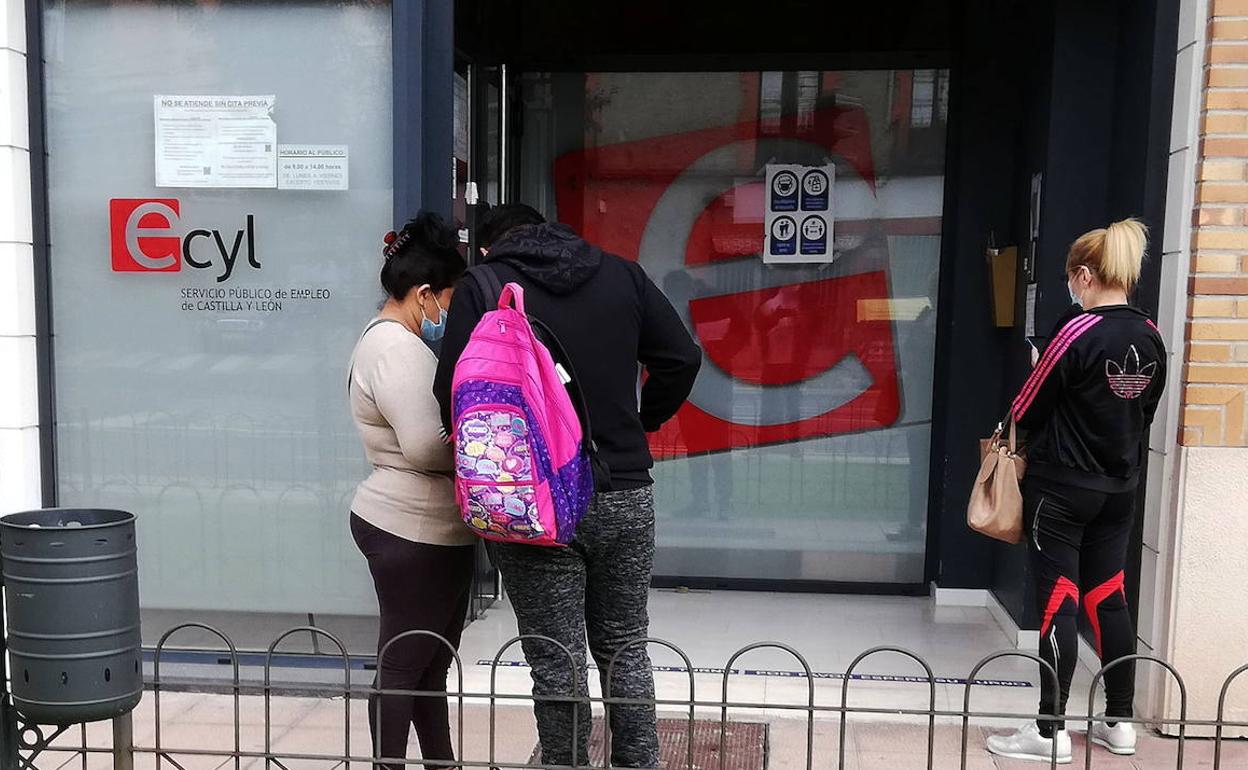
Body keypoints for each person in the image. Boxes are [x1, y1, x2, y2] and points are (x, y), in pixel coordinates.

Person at [433, 203, 702, 767]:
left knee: (556, 658)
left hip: (532, 500)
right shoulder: (623, 274)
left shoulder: (484, 284)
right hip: (625, 488)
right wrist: (641, 422)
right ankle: (638, 762)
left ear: (489, 248)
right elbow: (680, 358)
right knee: (626, 645)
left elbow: (451, 390)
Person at [986, 218, 1167, 763]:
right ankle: (1120, 722)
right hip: (1119, 490)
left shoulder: (1076, 333)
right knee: (1109, 597)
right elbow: (1144, 412)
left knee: (1058, 599)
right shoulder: (1151, 335)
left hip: (1061, 489)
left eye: (1072, 278)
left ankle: (1049, 730)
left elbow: (1025, 407)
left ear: (1084, 276)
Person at [347, 212, 477, 770]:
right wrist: (488, 456)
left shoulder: (391, 342)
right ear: (424, 294)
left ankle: (439, 764)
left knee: (427, 665)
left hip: (424, 524)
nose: (449, 314)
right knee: (405, 664)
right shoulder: (397, 348)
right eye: (448, 301)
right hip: (410, 524)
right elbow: (426, 445)